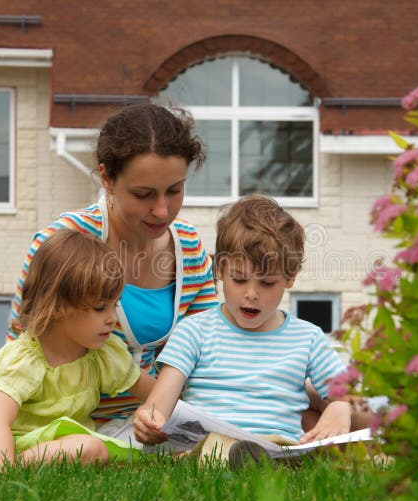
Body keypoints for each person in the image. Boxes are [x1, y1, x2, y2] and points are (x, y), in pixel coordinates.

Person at [0, 103, 218, 460]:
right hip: (68, 433)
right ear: (107, 178)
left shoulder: (189, 247)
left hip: (156, 427)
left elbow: (209, 354)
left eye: (174, 190)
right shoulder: (62, 243)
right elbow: (11, 365)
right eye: (143, 195)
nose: (162, 210)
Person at [133, 195, 354, 458]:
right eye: (239, 279)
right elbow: (159, 403)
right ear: (220, 270)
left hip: (279, 447)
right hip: (206, 447)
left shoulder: (308, 337)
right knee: (211, 451)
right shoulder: (194, 331)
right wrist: (148, 419)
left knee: (290, 451)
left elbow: (344, 394)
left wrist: (340, 407)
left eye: (267, 283)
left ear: (290, 278)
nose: (251, 294)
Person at [0, 229, 154, 466]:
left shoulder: (101, 353)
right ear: (58, 306)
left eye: (115, 305)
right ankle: (18, 471)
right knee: (91, 448)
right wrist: (3, 473)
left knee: (120, 444)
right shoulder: (26, 359)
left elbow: (155, 394)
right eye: (100, 308)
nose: (113, 318)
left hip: (71, 446)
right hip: (16, 449)